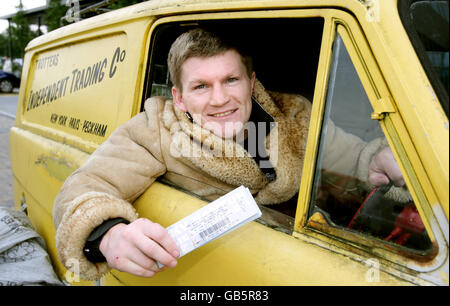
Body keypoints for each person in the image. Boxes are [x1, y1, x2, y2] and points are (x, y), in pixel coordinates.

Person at [53, 28, 406, 281]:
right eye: (201, 86)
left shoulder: (295, 114)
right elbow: (83, 186)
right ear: (179, 98)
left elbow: (352, 154)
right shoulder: (156, 129)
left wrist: (375, 161)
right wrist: (109, 232)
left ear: (251, 83)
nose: (220, 99)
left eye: (231, 80)